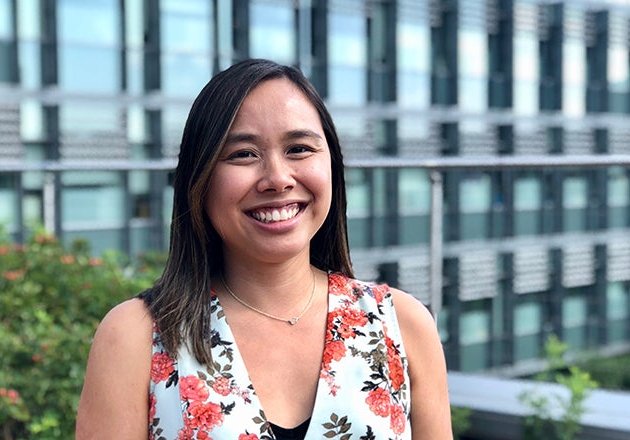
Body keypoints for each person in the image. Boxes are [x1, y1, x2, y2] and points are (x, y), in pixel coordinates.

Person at [75, 58, 451, 439]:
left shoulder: (402, 325)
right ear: (199, 179)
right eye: (243, 154)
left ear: (333, 166)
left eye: (300, 149)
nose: (277, 179)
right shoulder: (137, 336)